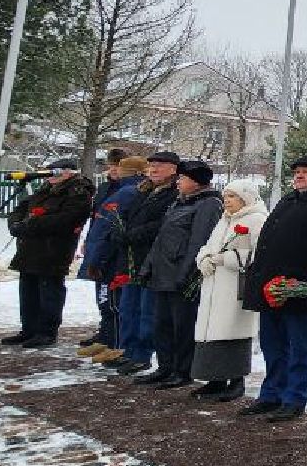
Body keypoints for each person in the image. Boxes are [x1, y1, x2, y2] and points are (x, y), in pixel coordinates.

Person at [239, 154, 307, 421]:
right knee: (272, 346)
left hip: (300, 288)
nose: (299, 175)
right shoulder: (289, 199)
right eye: (297, 171)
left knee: (300, 347)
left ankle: (294, 398)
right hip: (271, 287)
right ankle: (271, 394)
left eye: (306, 171)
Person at [134, 159, 223, 388]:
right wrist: (147, 267)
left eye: (182, 179)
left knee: (182, 326)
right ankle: (165, 366)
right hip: (162, 273)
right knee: (161, 324)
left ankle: (182, 370)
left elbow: (198, 241)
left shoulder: (208, 204)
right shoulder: (178, 202)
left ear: (196, 182)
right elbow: (161, 239)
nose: (178, 183)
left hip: (180, 275)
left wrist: (186, 273)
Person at [189, 178, 268, 402]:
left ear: (245, 198)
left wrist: (225, 258)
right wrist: (204, 258)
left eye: (232, 197)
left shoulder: (256, 220)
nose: (227, 201)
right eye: (225, 197)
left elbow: (254, 254)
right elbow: (209, 244)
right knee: (213, 332)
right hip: (215, 283)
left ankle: (235, 381)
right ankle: (215, 379)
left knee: (233, 330)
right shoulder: (225, 219)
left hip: (235, 286)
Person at [102, 151, 181, 374]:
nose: (154, 170)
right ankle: (128, 351)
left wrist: (132, 234)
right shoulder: (144, 190)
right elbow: (126, 215)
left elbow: (162, 224)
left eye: (159, 166)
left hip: (152, 257)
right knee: (128, 308)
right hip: (132, 257)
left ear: (173, 169)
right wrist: (119, 231)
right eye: (152, 165)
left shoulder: (174, 193)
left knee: (146, 311)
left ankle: (142, 354)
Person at [2, 158, 95, 349]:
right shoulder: (45, 190)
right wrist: (15, 224)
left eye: (56, 171)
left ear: (69, 172)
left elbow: (67, 219)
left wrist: (30, 224)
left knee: (49, 291)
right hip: (30, 247)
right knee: (28, 291)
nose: (51, 175)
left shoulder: (78, 192)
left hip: (53, 249)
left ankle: (46, 332)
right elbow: (22, 208)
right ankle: (28, 330)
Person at [77, 154, 144, 356]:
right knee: (107, 302)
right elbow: (99, 223)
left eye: (118, 167)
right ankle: (108, 338)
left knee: (114, 303)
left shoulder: (128, 192)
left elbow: (108, 226)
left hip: (112, 255)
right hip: (105, 251)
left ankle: (116, 344)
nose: (112, 170)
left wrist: (96, 256)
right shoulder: (113, 189)